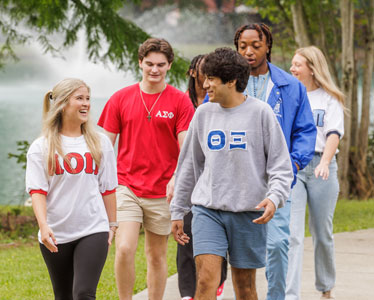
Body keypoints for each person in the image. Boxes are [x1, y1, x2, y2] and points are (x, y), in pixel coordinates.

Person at [170, 47, 294, 300]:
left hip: (249, 212)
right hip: (208, 210)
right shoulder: (203, 114)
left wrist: (274, 197)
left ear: (231, 81)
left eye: (210, 79)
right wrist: (178, 209)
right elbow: (189, 167)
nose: (204, 85)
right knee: (206, 280)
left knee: (245, 287)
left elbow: (281, 166)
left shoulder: (261, 113)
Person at [98, 38, 194, 300]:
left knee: (156, 254)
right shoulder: (120, 98)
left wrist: (177, 178)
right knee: (125, 248)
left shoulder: (180, 102)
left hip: (163, 190)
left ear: (169, 65)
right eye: (149, 64)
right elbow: (105, 147)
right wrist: (97, 183)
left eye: (161, 65)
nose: (154, 69)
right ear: (140, 63)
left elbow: (185, 148)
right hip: (126, 185)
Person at [233, 23, 317, 300]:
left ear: (267, 46)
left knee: (279, 244)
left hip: (276, 182)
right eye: (243, 46)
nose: (248, 52)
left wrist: (293, 164)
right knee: (235, 249)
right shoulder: (228, 84)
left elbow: (305, 131)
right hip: (236, 182)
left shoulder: (290, 86)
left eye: (255, 46)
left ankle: (276, 297)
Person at [25, 78, 118, 300]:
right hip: (56, 233)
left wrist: (112, 225)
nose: (86, 104)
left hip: (93, 229)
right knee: (63, 295)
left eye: (87, 98)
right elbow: (38, 191)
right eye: (79, 98)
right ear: (63, 104)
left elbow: (108, 188)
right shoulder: (41, 147)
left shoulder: (101, 143)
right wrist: (44, 225)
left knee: (84, 293)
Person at [286, 46, 345, 300]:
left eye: (297, 64)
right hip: (295, 168)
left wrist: (325, 162)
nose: (292, 68)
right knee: (292, 234)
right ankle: (291, 294)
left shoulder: (330, 98)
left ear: (312, 68)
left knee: (322, 232)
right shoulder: (289, 96)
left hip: (323, 165)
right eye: (292, 64)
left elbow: (334, 133)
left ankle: (325, 288)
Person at [176, 54, 227, 300]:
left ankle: (218, 279)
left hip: (217, 180)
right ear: (193, 72)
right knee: (186, 232)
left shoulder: (223, 103)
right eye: (203, 72)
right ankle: (187, 293)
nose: (207, 79)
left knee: (220, 239)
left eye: (212, 74)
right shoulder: (182, 101)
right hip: (189, 176)